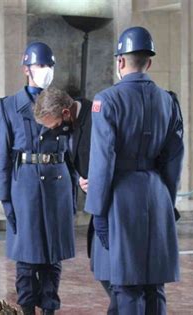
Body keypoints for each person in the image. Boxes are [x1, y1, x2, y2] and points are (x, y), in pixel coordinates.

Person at [84, 26, 184, 314]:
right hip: (157, 192)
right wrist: (167, 197)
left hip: (120, 196)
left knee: (126, 285)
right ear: (148, 62)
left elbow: (103, 159)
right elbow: (174, 157)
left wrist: (98, 211)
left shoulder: (107, 100)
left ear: (119, 61)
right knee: (155, 285)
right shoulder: (168, 100)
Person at [0, 42, 75, 315]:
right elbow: (1, 156)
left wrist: (73, 194)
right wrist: (4, 198)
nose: (46, 71)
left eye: (50, 66)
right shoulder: (7, 106)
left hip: (57, 183)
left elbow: (72, 153)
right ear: (27, 68)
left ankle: (50, 308)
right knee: (26, 258)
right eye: (41, 66)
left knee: (53, 256)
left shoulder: (64, 104)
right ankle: (27, 309)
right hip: (25, 187)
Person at [34, 88, 117, 314]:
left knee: (114, 274)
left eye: (54, 126)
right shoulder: (70, 123)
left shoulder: (97, 117)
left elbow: (112, 156)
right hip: (97, 202)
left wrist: (99, 181)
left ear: (66, 113)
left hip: (113, 205)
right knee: (102, 268)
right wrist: (81, 178)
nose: (54, 132)